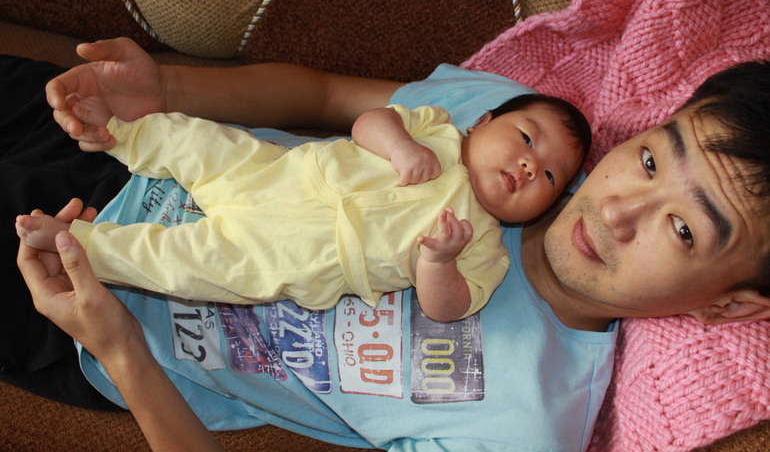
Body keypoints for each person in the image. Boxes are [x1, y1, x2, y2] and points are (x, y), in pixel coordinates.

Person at [8, 38, 770, 452]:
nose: (618, 210)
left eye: (683, 228)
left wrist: (118, 348)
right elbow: (325, 95)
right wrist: (167, 91)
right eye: (650, 159)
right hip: (130, 141)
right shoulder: (515, 130)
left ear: (732, 303)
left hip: (79, 309)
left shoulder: (526, 426)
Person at [16, 91, 589, 322]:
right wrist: (399, 145)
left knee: (181, 266)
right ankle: (119, 133)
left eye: (549, 175)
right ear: (483, 121)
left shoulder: (482, 243)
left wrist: (438, 263)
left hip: (294, 258)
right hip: (275, 175)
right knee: (199, 141)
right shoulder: (436, 129)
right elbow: (369, 121)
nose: (528, 166)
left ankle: (77, 246)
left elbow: (448, 309)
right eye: (527, 137)